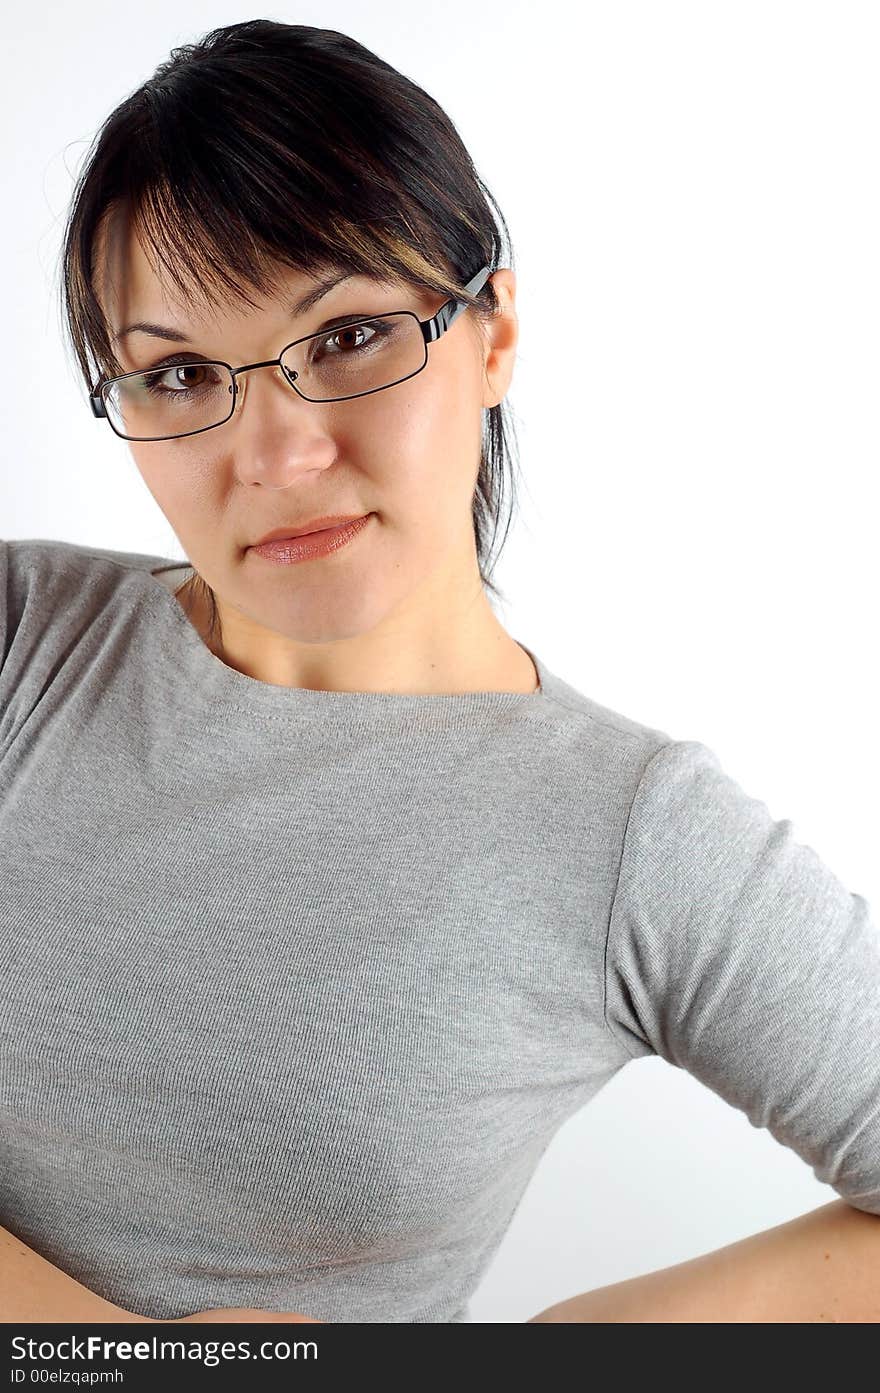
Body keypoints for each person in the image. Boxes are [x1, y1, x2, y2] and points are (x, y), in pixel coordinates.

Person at [1, 20, 878, 1326]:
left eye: (349, 335)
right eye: (180, 373)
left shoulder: (637, 833)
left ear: (494, 333)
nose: (277, 452)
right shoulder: (23, 639)